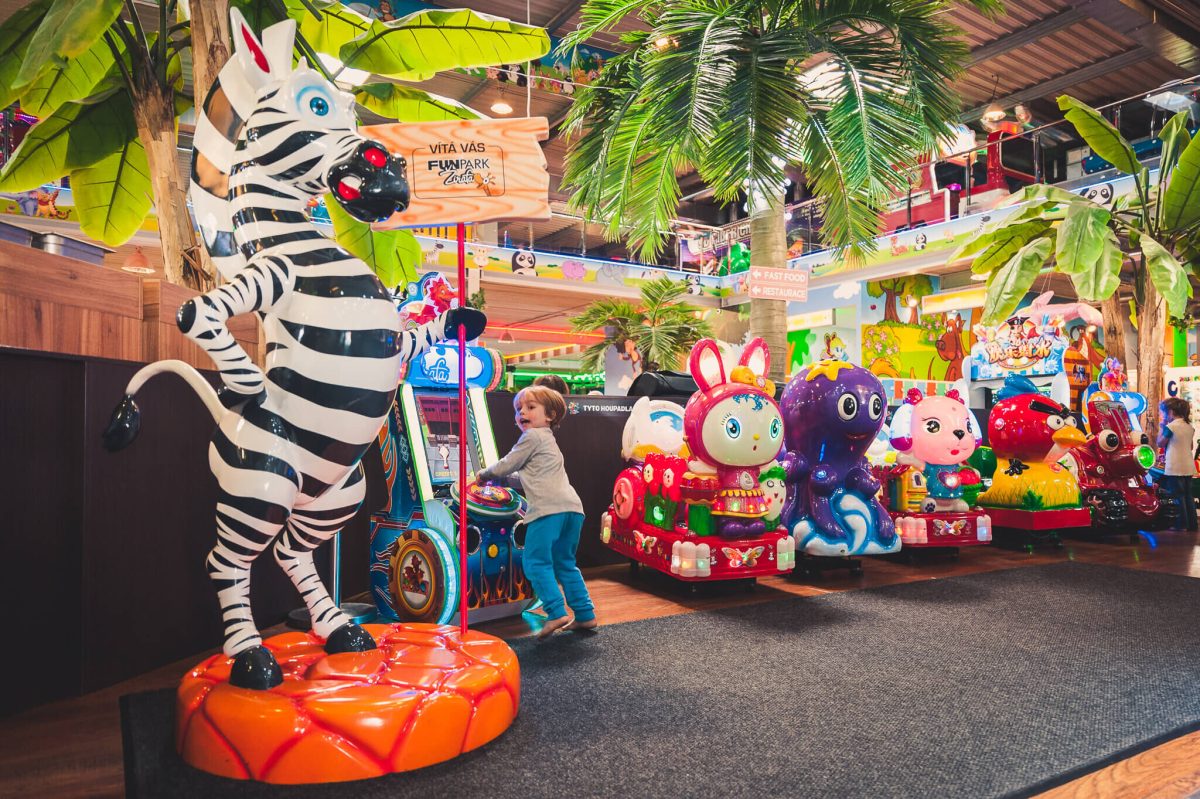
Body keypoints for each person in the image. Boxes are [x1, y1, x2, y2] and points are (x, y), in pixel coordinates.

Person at [476, 385, 596, 638]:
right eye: (518, 408)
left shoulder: (531, 437)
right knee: (565, 563)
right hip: (572, 509)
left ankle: (556, 612)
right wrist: (504, 480)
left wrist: (484, 475)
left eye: (530, 407)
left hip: (547, 510)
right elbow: (528, 475)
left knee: (535, 562)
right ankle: (585, 614)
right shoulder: (548, 440)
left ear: (550, 415)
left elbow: (508, 463)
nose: (522, 412)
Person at [1158, 397, 1197, 531]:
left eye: (1164, 412)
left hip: (1175, 466)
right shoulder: (1189, 427)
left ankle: (1181, 525)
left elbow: (1160, 443)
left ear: (1171, 412)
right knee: (1188, 495)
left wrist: (1162, 427)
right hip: (1188, 465)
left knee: (1178, 496)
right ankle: (1192, 525)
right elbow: (1190, 447)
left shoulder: (1171, 427)